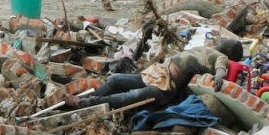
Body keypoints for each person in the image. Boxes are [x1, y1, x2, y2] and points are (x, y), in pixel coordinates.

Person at [68, 51, 208, 113]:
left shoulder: (212, 60)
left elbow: (217, 66)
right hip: (155, 76)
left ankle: (85, 103)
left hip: (166, 90)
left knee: (132, 95)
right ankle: (84, 98)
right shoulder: (198, 51)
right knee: (116, 78)